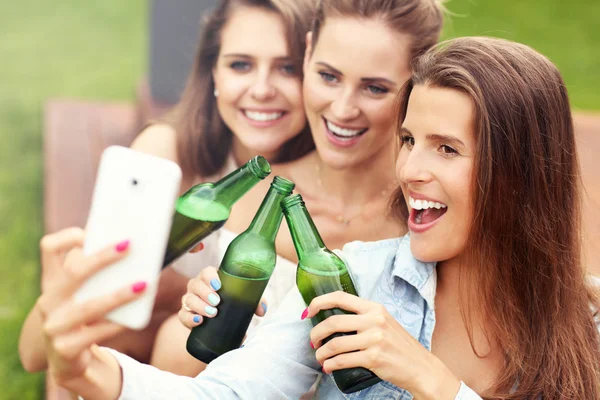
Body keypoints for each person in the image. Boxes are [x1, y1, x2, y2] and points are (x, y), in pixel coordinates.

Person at [39, 35, 600, 399]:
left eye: (447, 149)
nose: (409, 170)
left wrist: (433, 382)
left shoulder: (583, 326)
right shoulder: (350, 282)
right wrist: (86, 370)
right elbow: (230, 393)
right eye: (408, 140)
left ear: (521, 174)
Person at [149, 0, 443, 377]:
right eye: (329, 76)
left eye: (374, 88)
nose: (342, 109)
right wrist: (200, 322)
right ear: (307, 54)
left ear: (417, 84)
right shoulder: (253, 203)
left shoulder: (428, 216)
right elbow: (170, 355)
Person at [19, 0, 316, 372]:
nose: (261, 89)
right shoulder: (167, 155)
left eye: (287, 68)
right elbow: (35, 353)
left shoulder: (315, 190)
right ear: (214, 74)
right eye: (240, 64)